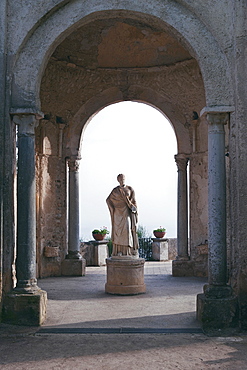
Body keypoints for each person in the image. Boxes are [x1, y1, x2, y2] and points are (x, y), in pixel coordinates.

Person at [106, 174, 139, 256]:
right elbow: (108, 200)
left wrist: (133, 207)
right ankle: (118, 251)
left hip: (126, 212)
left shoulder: (130, 189)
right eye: (120, 179)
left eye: (123, 178)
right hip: (117, 213)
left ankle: (128, 251)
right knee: (118, 232)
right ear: (118, 180)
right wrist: (113, 208)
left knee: (127, 230)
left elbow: (134, 201)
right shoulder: (115, 190)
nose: (122, 180)